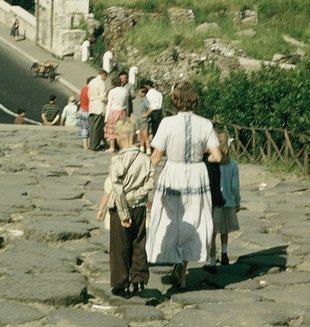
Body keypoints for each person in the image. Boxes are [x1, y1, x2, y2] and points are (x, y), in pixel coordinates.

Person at [146, 80, 221, 290]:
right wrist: (201, 160)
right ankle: (183, 268)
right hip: (197, 174)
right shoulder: (205, 124)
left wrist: (144, 174)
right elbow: (217, 155)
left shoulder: (167, 123)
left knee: (172, 219)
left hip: (173, 173)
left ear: (176, 100)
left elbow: (156, 155)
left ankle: (175, 260)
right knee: (193, 219)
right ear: (194, 100)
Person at [96, 117, 155, 298]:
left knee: (120, 247)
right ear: (135, 136)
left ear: (118, 138)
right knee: (139, 243)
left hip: (121, 209)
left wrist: (123, 213)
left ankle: (121, 283)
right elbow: (151, 182)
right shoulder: (145, 159)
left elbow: (117, 188)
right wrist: (137, 196)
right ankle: (138, 280)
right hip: (139, 207)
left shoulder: (117, 160)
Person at [204, 131, 240, 273]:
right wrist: (237, 201)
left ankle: (212, 262)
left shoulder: (213, 162)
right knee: (225, 229)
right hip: (229, 200)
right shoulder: (232, 164)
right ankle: (224, 252)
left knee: (213, 232)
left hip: (216, 200)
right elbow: (235, 185)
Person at [104, 78, 129, 152]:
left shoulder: (112, 91)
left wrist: (106, 117)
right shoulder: (125, 91)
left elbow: (109, 104)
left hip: (113, 110)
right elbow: (125, 102)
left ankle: (112, 147)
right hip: (121, 110)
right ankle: (122, 146)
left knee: (111, 130)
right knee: (121, 130)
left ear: (113, 84)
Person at [88, 69, 108, 151]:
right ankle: (95, 145)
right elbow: (103, 96)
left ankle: (91, 144)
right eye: (106, 77)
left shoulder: (91, 82)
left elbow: (88, 94)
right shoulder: (101, 83)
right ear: (104, 75)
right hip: (99, 106)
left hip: (92, 105)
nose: (105, 79)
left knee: (92, 127)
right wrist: (107, 100)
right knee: (97, 127)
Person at [132, 86, 151, 155]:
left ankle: (148, 148)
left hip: (144, 119)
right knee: (141, 134)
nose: (139, 93)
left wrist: (146, 114)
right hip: (139, 118)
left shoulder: (145, 100)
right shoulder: (139, 99)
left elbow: (150, 108)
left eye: (140, 91)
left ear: (143, 93)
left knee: (145, 135)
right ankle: (142, 147)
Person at [78, 76, 93, 150]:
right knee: (89, 128)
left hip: (82, 109)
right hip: (88, 110)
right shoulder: (90, 90)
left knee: (84, 128)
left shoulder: (84, 88)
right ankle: (87, 144)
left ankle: (84, 144)